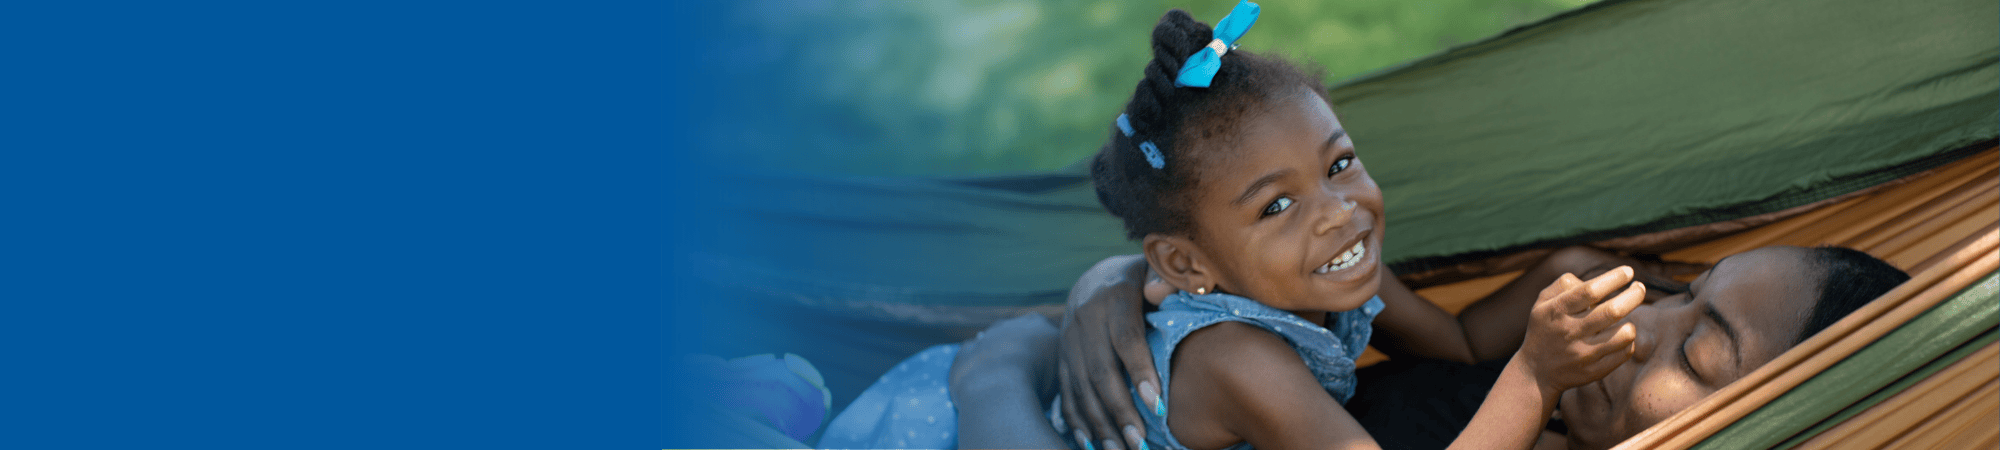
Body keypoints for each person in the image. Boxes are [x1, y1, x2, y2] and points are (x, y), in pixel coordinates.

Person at [824, 3, 1647, 449]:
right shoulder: (1238, 359)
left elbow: (1458, 343)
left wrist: (1566, 268)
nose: (1338, 212)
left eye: (1339, 163)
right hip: (949, 428)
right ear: (1188, 265)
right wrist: (1535, 376)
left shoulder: (1340, 264)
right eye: (1276, 206)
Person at [958, 245, 1909, 450]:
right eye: (1682, 294)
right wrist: (1119, 278)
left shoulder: (1542, 374)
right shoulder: (1557, 348)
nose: (1638, 324)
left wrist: (994, 374)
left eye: (1698, 357)